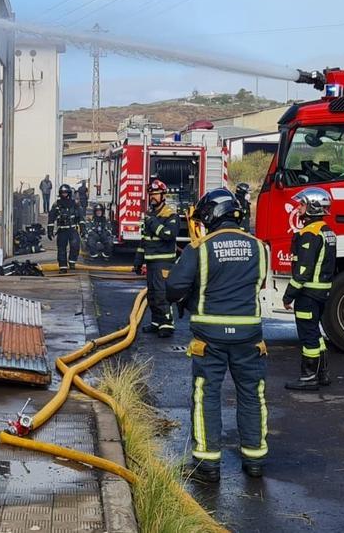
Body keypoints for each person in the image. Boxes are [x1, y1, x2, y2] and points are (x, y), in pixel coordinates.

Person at [166, 187, 269, 482]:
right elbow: (255, 284)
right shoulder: (259, 247)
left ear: (211, 215)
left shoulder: (201, 248)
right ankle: (255, 459)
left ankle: (208, 463)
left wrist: (193, 294)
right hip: (250, 336)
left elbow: (173, 287)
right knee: (252, 394)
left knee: (206, 395)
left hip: (209, 338)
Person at [283, 187, 337, 391]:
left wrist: (288, 295)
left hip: (308, 294)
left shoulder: (309, 234)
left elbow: (303, 271)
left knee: (308, 336)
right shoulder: (327, 231)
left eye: (302, 204)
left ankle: (308, 378)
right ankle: (322, 374)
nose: (299, 208)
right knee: (315, 333)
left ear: (313, 207)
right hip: (322, 292)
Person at [135, 178, 179, 337]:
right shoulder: (149, 215)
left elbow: (169, 234)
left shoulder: (170, 215)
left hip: (164, 262)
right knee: (152, 294)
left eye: (156, 194)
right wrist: (138, 261)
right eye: (151, 194)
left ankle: (167, 324)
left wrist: (152, 222)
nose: (153, 197)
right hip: (151, 261)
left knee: (162, 294)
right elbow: (144, 240)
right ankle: (156, 322)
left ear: (163, 196)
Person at [48, 184, 83, 272]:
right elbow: (51, 217)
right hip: (62, 230)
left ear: (69, 193)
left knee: (75, 246)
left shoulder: (75, 203)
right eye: (62, 193)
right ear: (60, 193)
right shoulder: (56, 204)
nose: (64, 194)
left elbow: (81, 217)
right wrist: (50, 230)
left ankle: (72, 262)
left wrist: (83, 228)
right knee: (61, 249)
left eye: (66, 192)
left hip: (72, 229)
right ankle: (63, 266)